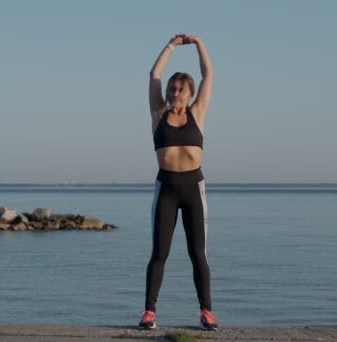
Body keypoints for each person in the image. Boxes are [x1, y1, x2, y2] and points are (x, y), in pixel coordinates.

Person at [139, 33, 217, 331]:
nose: (174, 94)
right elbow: (154, 74)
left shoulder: (197, 113)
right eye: (172, 89)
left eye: (180, 90)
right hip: (167, 189)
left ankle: (206, 311)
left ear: (190, 93)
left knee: (198, 254)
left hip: (193, 189)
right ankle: (149, 312)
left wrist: (199, 44)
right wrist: (171, 46)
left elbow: (208, 73)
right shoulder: (158, 114)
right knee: (160, 253)